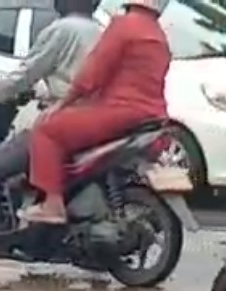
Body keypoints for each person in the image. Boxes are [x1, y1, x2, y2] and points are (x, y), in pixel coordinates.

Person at [0, 0, 104, 280]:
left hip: (63, 124)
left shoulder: (61, 30)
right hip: (98, 122)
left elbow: (24, 76)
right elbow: (73, 79)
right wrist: (45, 93)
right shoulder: (102, 32)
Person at [19, 0, 171, 224]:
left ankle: (52, 204)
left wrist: (64, 102)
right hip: (154, 116)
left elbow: (94, 70)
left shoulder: (124, 26)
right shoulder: (159, 36)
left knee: (45, 128)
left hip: (119, 113)